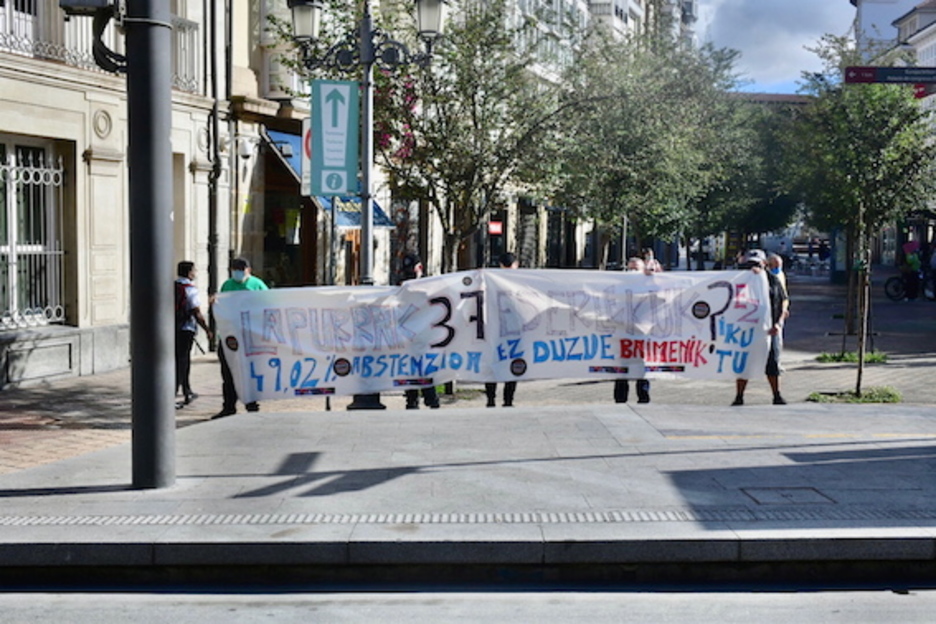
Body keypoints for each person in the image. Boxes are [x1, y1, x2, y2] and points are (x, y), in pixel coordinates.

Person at [212, 258, 269, 419]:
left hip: (249, 338)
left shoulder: (257, 285)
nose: (237, 271)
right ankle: (229, 406)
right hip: (229, 337)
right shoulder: (227, 285)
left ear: (248, 270)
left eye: (241, 269)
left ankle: (252, 405)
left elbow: (268, 305)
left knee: (249, 373)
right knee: (228, 374)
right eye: (235, 268)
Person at [733, 249, 790, 406]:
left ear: (764, 264)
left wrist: (778, 322)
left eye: (756, 264)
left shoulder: (772, 280)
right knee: (745, 364)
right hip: (746, 329)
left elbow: (783, 300)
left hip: (768, 329)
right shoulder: (739, 280)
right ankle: (739, 396)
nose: (753, 268)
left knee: (772, 363)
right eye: (749, 264)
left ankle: (776, 395)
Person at [400, 253, 440, 410]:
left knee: (424, 367)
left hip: (425, 335)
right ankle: (411, 400)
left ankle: (431, 398)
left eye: (412, 271)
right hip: (407, 336)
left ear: (420, 268)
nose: (410, 275)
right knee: (410, 368)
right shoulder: (400, 287)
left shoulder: (429, 286)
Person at [614, 257, 652, 404]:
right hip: (622, 334)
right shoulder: (620, 286)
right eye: (630, 269)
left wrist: (653, 277)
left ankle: (643, 397)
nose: (632, 272)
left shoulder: (650, 285)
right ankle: (620, 399)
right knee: (621, 368)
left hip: (643, 335)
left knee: (641, 367)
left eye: (636, 269)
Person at [174, 261, 212, 410]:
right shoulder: (190, 289)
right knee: (183, 361)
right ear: (190, 273)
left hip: (172, 328)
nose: (195, 273)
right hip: (185, 328)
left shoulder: (172, 286)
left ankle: (185, 390)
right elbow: (197, 312)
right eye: (194, 270)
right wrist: (207, 329)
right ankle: (179, 392)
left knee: (176, 359)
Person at [486, 252, 519, 408]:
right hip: (514, 330)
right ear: (516, 264)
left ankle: (491, 399)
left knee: (493, 364)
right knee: (514, 364)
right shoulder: (520, 282)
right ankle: (508, 400)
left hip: (494, 329)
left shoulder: (490, 280)